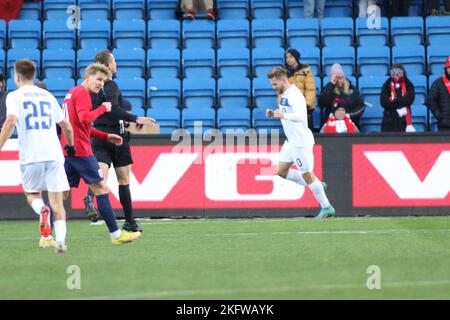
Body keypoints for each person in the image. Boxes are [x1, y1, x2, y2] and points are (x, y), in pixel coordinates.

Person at [61, 63, 142, 245]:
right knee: (101, 189)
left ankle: (47, 232)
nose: (100, 84)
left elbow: (81, 126)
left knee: (61, 193)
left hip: (68, 148)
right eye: (98, 79)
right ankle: (116, 235)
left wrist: (106, 136)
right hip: (81, 151)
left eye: (103, 81)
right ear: (88, 76)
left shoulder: (71, 93)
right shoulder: (82, 94)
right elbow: (85, 119)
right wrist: (102, 109)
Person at [0, 59, 74, 253]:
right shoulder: (48, 96)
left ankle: (42, 210)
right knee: (58, 203)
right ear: (33, 76)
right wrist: (71, 146)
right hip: (54, 154)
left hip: (31, 154)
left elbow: (10, 121)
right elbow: (66, 125)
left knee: (33, 194)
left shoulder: (14, 96)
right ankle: (59, 243)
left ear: (16, 77)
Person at [83, 50, 156, 232]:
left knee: (102, 176)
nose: (116, 64)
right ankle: (130, 221)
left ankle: (90, 196)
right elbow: (113, 110)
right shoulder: (111, 85)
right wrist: (135, 118)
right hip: (116, 136)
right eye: (114, 61)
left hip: (98, 135)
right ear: (108, 66)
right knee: (124, 180)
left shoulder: (89, 88)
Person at [266, 67, 335, 219]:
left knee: (307, 175)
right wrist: (274, 114)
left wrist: (282, 114)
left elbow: (299, 115)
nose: (273, 88)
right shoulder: (284, 94)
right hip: (291, 141)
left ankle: (327, 207)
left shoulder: (294, 94)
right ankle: (317, 185)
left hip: (300, 142)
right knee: (281, 171)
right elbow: (287, 114)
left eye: (274, 84)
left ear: (283, 79)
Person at [318, 64, 365, 128]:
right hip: (332, 124)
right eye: (336, 78)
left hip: (350, 124)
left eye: (341, 78)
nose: (339, 80)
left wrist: (347, 115)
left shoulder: (352, 89)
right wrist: (331, 85)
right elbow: (321, 104)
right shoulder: (328, 88)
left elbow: (361, 106)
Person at [284, 49, 316, 130]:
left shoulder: (306, 71)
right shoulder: (284, 73)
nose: (288, 59)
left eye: (291, 57)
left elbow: (310, 89)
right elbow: (281, 92)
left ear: (296, 58)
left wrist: (306, 105)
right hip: (290, 110)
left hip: (306, 109)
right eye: (287, 58)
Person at [380, 64, 416, 132]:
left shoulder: (408, 84)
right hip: (389, 121)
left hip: (404, 122)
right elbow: (383, 102)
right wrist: (399, 104)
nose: (396, 75)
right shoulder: (387, 85)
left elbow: (410, 100)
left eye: (398, 73)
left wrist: (395, 100)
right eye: (394, 73)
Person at [427, 56, 450, 132]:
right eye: (449, 67)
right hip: (444, 125)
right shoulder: (438, 83)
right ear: (445, 69)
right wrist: (439, 116)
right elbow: (431, 100)